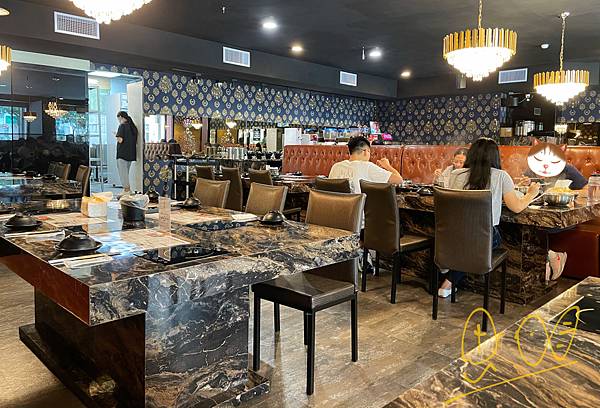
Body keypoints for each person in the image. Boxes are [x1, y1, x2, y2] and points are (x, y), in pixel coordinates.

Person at [439, 138, 540, 297]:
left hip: (454, 236)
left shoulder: (456, 174)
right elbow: (516, 207)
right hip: (483, 238)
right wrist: (531, 194)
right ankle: (448, 283)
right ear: (495, 156)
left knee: (469, 243)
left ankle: (447, 278)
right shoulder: (501, 176)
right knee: (486, 240)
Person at [329, 136, 403, 192]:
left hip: (334, 207)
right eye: (369, 152)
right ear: (365, 151)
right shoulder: (367, 166)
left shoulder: (335, 166)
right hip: (357, 208)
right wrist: (387, 165)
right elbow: (399, 180)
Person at [115, 111, 138, 194]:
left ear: (121, 117)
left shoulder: (122, 126)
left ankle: (127, 190)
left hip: (122, 154)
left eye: (118, 119)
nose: (118, 120)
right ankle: (127, 190)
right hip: (131, 154)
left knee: (123, 173)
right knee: (126, 173)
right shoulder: (133, 127)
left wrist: (116, 135)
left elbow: (120, 140)